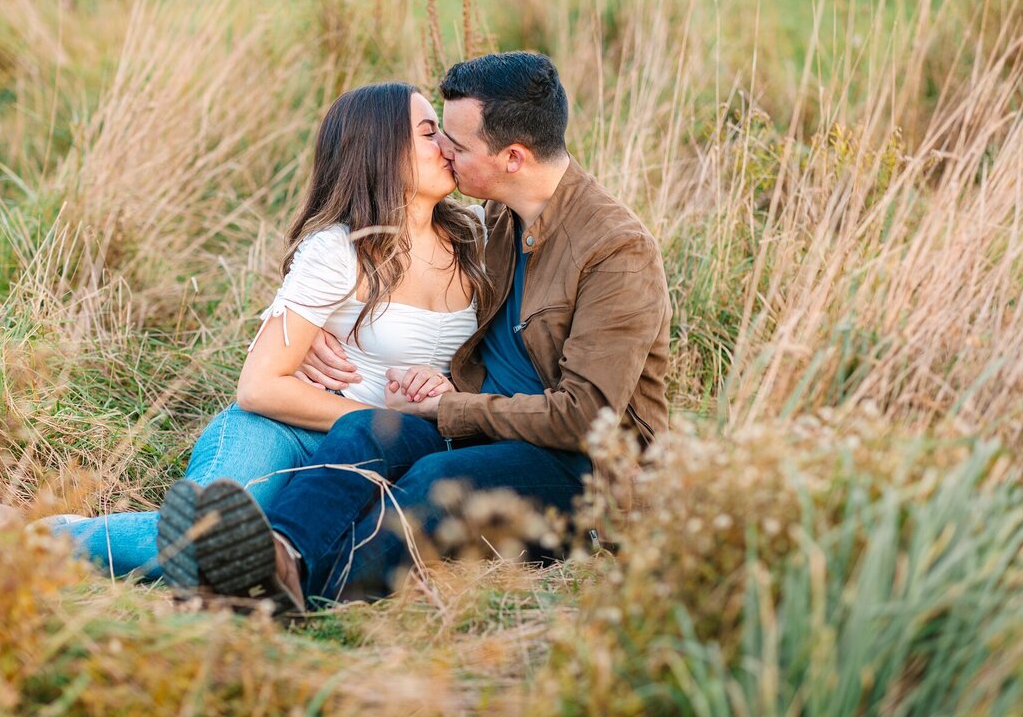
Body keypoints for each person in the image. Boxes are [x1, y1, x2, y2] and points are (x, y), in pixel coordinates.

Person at [0, 82, 491, 585]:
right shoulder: (338, 253)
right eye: (427, 131)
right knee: (206, 538)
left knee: (270, 554)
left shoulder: (480, 244)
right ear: (379, 150)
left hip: (385, 453)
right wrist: (377, 420)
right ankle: (19, 538)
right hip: (285, 431)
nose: (446, 144)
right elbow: (259, 388)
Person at [156, 51, 671, 613]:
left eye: (457, 143)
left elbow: (584, 418)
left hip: (573, 468)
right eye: (437, 136)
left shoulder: (616, 251)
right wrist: (325, 335)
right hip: (472, 430)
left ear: (513, 157)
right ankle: (279, 554)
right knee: (367, 432)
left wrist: (452, 407)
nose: (445, 151)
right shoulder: (493, 222)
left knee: (433, 480)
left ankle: (278, 593)